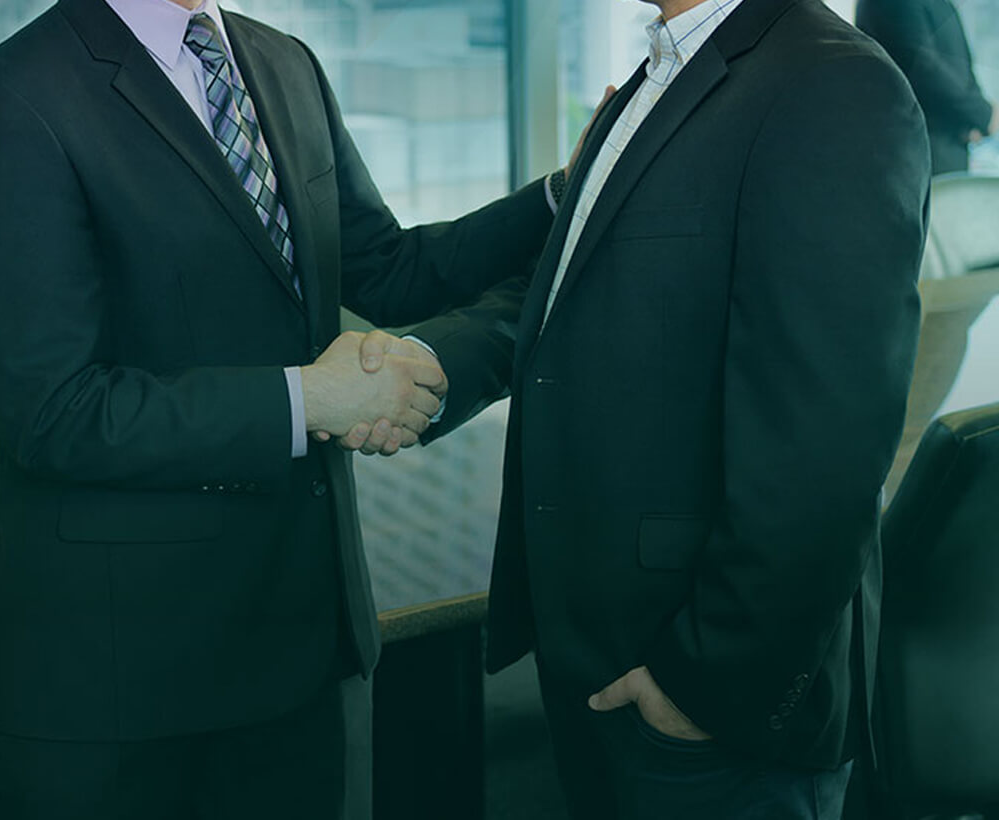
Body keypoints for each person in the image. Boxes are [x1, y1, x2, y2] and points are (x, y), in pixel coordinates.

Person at [0, 0, 562, 816]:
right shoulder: (8, 97)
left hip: (303, 635)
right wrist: (308, 397)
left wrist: (556, 196)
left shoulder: (282, 61)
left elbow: (388, 269)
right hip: (120, 673)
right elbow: (54, 412)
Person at [355, 0, 931, 816]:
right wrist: (430, 363)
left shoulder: (832, 85)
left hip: (701, 694)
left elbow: (825, 443)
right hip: (602, 650)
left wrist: (703, 684)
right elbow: (568, 289)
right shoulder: (658, 76)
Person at [858, 0, 997, 173]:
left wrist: (971, 122)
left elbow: (962, 67)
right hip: (913, 150)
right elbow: (920, 66)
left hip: (947, 147)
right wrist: (982, 114)